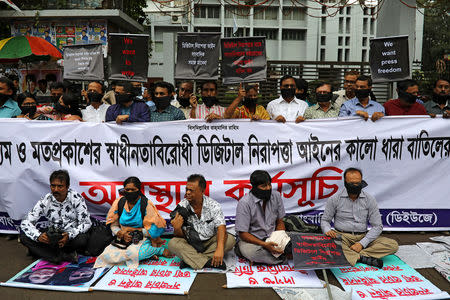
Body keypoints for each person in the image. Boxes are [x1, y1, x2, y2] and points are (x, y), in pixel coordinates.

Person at [321, 168, 398, 268]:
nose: (355, 186)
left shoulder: (369, 199)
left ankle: (355, 256)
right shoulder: (335, 199)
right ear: (345, 183)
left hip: (363, 236)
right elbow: (325, 220)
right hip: (342, 236)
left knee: (392, 245)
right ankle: (363, 257)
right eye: (352, 183)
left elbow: (377, 226)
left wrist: (361, 244)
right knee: (328, 245)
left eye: (358, 183)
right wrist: (327, 230)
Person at [94, 177, 171, 269]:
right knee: (105, 255)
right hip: (122, 239)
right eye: (127, 190)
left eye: (133, 190)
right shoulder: (119, 202)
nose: (130, 192)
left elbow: (155, 230)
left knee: (134, 253)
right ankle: (146, 255)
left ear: (139, 190)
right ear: (124, 190)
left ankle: (158, 251)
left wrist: (134, 230)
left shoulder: (146, 204)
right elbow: (113, 224)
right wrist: (121, 233)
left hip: (142, 238)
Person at [20, 170, 93, 264]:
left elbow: (86, 223)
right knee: (23, 237)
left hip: (70, 237)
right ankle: (58, 256)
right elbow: (26, 222)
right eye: (53, 186)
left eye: (60, 186)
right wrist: (38, 236)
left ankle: (46, 253)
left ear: (67, 187)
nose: (56, 190)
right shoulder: (46, 200)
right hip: (54, 236)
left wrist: (70, 235)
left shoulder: (76, 198)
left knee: (82, 240)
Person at [168, 174, 235, 270]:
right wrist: (177, 228)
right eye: (186, 189)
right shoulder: (182, 206)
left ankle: (190, 260)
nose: (187, 193)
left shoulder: (213, 205)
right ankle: (208, 262)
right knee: (173, 243)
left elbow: (221, 227)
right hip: (191, 243)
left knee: (230, 240)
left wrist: (219, 250)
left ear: (202, 191)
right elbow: (179, 236)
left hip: (210, 242)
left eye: (191, 190)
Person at [235, 170, 290, 265]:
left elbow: (280, 221)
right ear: (255, 187)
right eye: (263, 186)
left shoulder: (276, 196)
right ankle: (283, 258)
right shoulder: (244, 203)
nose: (268, 188)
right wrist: (264, 244)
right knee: (253, 253)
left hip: (272, 237)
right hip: (253, 241)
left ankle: (273, 256)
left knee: (296, 243)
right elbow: (243, 234)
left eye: (269, 185)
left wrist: (279, 238)